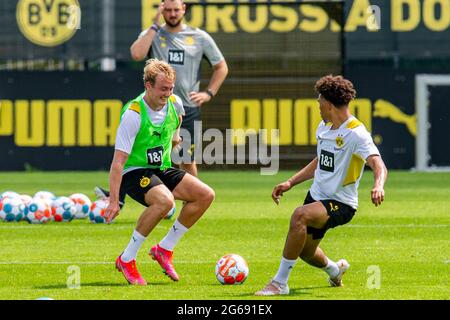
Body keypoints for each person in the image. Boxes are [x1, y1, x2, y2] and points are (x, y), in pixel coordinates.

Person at [255, 75, 388, 296]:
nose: (317, 105)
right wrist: (290, 182)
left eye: (319, 100)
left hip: (341, 203)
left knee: (299, 215)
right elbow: (320, 161)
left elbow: (378, 163)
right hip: (316, 197)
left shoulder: (356, 133)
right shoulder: (324, 127)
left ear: (328, 103)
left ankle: (279, 283)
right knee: (306, 253)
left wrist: (378, 185)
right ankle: (335, 270)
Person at [105, 58, 215, 285]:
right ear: (148, 85)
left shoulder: (175, 104)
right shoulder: (133, 114)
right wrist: (113, 201)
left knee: (205, 195)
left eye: (171, 88)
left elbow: (175, 133)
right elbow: (118, 162)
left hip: (161, 168)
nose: (168, 93)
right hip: (133, 171)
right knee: (165, 202)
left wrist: (177, 150)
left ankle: (164, 249)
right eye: (163, 89)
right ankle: (127, 258)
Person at [130, 0, 228, 177]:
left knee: (186, 158)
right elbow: (137, 54)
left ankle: (193, 201)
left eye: (176, 10)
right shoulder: (153, 33)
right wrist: (154, 25)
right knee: (150, 155)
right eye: (167, 10)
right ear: (161, 10)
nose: (172, 14)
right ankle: (136, 195)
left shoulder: (199, 37)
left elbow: (221, 67)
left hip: (186, 108)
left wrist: (208, 93)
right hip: (156, 107)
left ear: (183, 9)